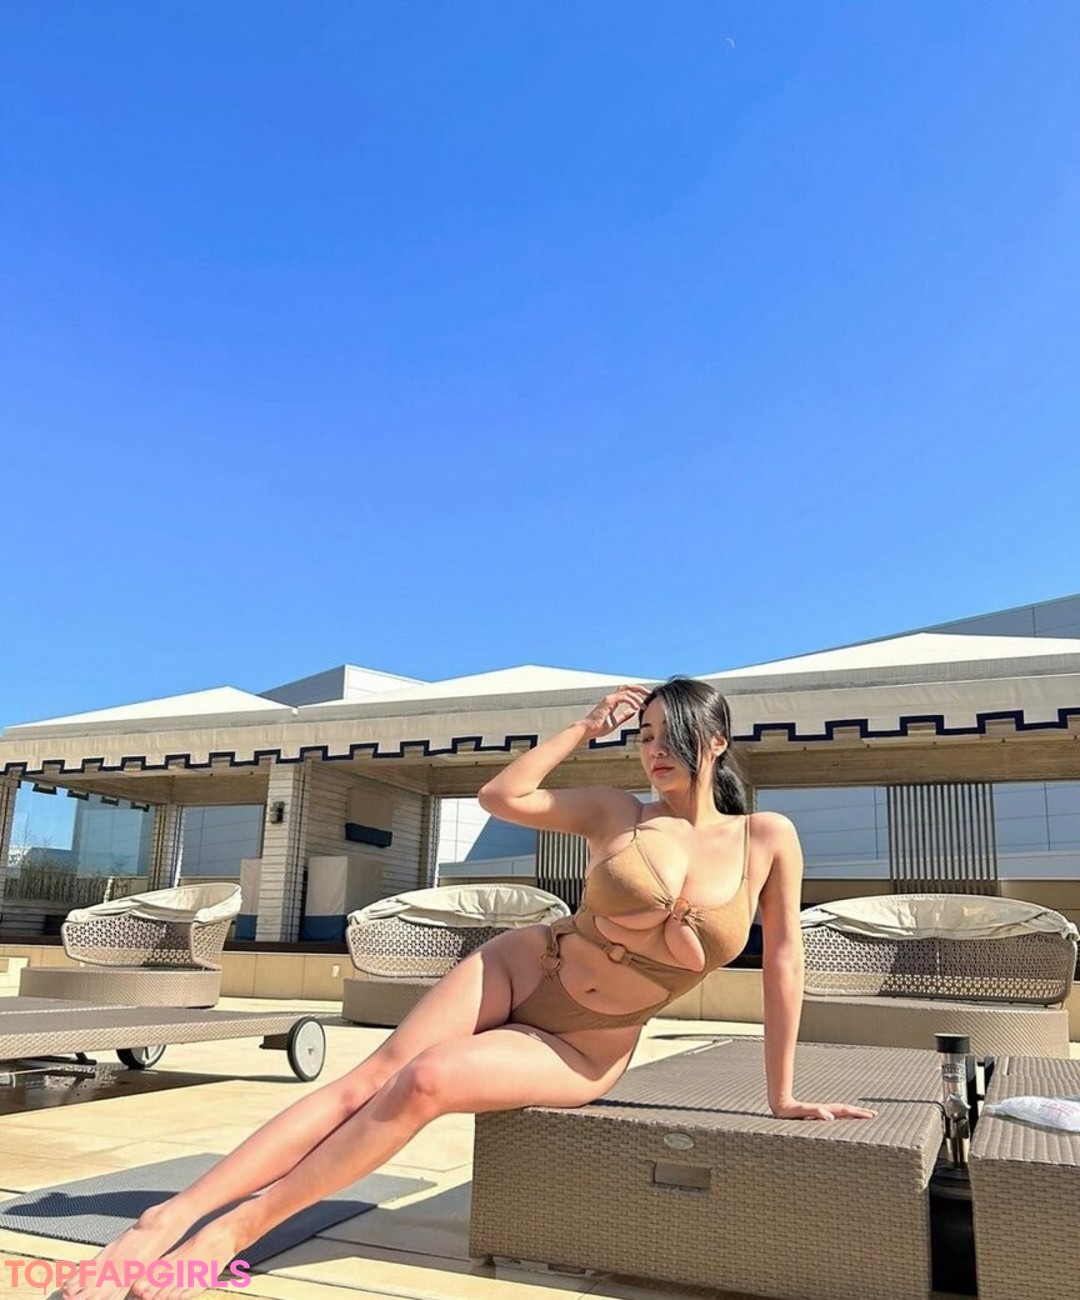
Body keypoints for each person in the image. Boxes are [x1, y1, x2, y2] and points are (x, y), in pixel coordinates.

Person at [67, 676, 874, 1300]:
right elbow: (502, 798)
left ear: (717, 740)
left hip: (586, 1045)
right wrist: (584, 728)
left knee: (425, 1081)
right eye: (644, 736)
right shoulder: (616, 812)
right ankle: (169, 1217)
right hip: (524, 961)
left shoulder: (767, 837)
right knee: (368, 1078)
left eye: (672, 737)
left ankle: (235, 1231)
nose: (653, 751)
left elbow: (784, 961)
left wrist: (782, 1095)